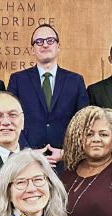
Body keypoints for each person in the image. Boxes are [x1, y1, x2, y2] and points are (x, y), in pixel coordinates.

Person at [7, 24, 89, 168]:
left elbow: (83, 122)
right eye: (39, 41)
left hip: (66, 162)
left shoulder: (75, 80)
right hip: (27, 161)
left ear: (58, 46)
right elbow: (10, 118)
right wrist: (28, 152)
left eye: (50, 40)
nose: (45, 44)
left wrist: (66, 152)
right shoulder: (18, 80)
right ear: (32, 49)